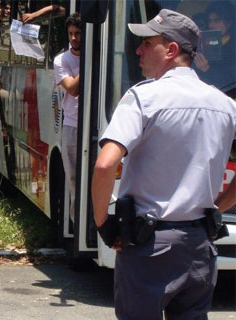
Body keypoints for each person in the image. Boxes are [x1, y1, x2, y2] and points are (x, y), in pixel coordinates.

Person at [91, 9, 236, 319]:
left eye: (147, 43)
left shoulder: (144, 98)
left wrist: (103, 224)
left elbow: (105, 166)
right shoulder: (225, 105)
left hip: (149, 247)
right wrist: (216, 207)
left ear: (171, 50)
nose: (138, 50)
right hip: (200, 245)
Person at [53, 13, 81, 221]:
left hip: (98, 124)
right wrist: (90, 60)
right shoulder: (61, 60)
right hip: (72, 125)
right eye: (70, 34)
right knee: (74, 181)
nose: (73, 38)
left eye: (78, 34)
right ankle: (76, 224)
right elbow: (72, 88)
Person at [194, 2, 236, 96]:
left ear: (229, 22)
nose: (211, 25)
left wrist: (207, 69)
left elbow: (231, 80)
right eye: (210, 21)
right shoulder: (203, 41)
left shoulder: (233, 45)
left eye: (217, 21)